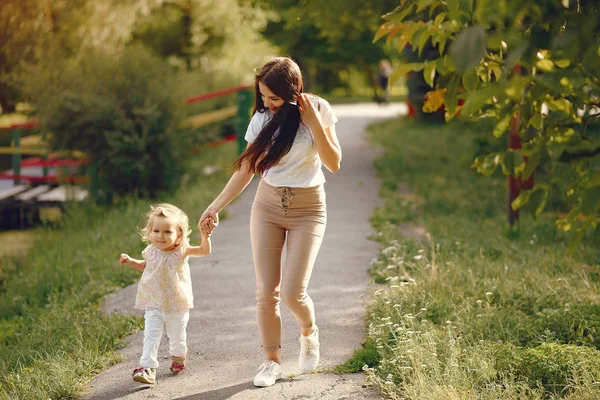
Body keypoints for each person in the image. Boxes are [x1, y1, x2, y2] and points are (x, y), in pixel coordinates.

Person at [199, 57, 342, 387]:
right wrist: (214, 206)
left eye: (274, 98)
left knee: (293, 293)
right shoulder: (261, 120)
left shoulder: (318, 109)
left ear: (293, 92)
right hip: (267, 206)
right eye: (263, 97)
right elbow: (246, 170)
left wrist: (314, 123)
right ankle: (271, 362)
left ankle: (309, 332)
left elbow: (334, 163)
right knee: (266, 292)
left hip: (309, 208)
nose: (267, 104)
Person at [120, 203, 213, 385]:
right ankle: (147, 368)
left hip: (177, 304)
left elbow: (204, 251)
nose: (160, 236)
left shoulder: (182, 250)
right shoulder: (151, 251)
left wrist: (205, 236)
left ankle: (178, 357)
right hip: (154, 301)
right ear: (149, 231)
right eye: (156, 231)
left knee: (176, 336)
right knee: (151, 335)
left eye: (167, 232)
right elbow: (147, 267)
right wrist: (131, 261)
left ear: (179, 234)